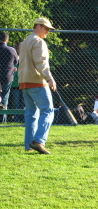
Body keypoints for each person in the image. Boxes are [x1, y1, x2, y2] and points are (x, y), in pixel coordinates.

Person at [18, 18, 56, 154]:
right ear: (38, 26)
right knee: (48, 111)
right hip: (37, 82)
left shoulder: (25, 41)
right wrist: (50, 78)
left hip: (24, 82)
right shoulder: (39, 42)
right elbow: (42, 63)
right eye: (46, 28)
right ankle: (38, 141)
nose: (48, 32)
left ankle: (29, 145)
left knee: (31, 114)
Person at [0, 31, 19, 111]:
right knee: (4, 97)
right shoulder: (11, 50)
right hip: (7, 76)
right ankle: (3, 119)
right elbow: (16, 62)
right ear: (6, 40)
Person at [11, 42, 23, 122]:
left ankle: (24, 119)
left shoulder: (25, 58)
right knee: (16, 103)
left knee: (24, 104)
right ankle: (16, 119)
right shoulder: (12, 57)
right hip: (15, 85)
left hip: (24, 83)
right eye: (19, 48)